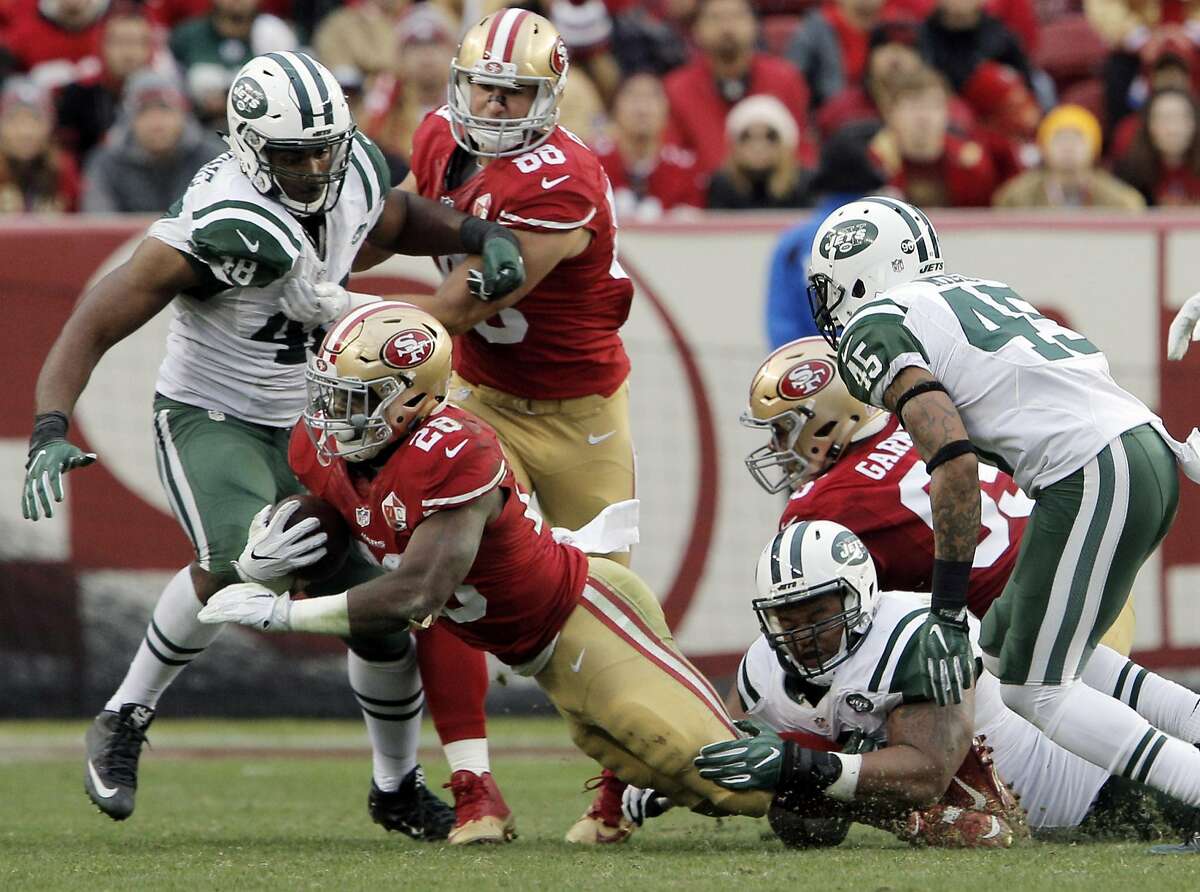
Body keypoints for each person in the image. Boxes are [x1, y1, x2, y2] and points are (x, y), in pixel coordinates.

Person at [21, 52, 526, 843]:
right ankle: (124, 714)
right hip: (213, 412)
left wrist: (473, 229)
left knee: (384, 618)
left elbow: (391, 221)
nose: (318, 166)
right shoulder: (215, 221)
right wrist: (51, 424)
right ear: (250, 147)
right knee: (247, 556)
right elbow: (93, 318)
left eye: (327, 147)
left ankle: (395, 786)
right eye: (296, 155)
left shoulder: (349, 165)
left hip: (321, 421)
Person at [196, 303, 775, 828]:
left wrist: (283, 613)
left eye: (356, 398)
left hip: (584, 619)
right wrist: (268, 554)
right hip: (539, 653)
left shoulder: (456, 451)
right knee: (681, 780)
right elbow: (339, 525)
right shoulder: (321, 447)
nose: (333, 415)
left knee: (737, 785)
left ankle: (835, 773)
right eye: (330, 394)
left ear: (413, 398)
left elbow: (415, 594)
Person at [792, 194, 1200, 824]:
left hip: (1089, 471)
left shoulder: (876, 325)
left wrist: (947, 607)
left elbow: (953, 460)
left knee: (1037, 689)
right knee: (1009, 642)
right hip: (1131, 450)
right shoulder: (971, 289)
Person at [387, 10, 641, 841]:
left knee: (605, 607)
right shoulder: (435, 137)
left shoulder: (563, 177)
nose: (494, 107)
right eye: (484, 88)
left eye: (514, 93)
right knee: (443, 577)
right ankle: (474, 792)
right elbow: (391, 223)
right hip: (481, 398)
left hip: (580, 417)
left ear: (550, 98)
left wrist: (335, 317)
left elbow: (454, 309)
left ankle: (616, 792)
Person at [705, 523, 1200, 844]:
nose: (803, 634)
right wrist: (662, 786)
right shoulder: (761, 669)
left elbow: (927, 772)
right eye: (786, 619)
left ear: (859, 596)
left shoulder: (917, 634)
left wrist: (795, 762)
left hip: (1100, 786)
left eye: (817, 615)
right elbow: (729, 749)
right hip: (1030, 810)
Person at [764, 122, 885, 349]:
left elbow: (782, 326)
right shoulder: (888, 234)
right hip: (879, 367)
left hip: (815, 370)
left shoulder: (793, 242)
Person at [662, 0, 812, 176]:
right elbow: (672, 158)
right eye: (715, 18)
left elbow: (802, 149)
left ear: (755, 26)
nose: (727, 27)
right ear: (696, 29)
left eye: (737, 16)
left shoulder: (786, 79)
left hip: (777, 195)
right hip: (704, 197)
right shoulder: (676, 89)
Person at [82, 71, 227, 213]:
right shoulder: (105, 164)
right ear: (129, 121)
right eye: (144, 112)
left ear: (183, 115)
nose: (156, 123)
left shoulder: (214, 159)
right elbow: (100, 222)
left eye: (165, 111)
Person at [869, 67, 1001, 207]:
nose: (924, 117)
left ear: (948, 112)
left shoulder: (970, 162)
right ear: (890, 113)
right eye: (912, 107)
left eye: (933, 106)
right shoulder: (872, 162)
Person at [592, 72, 704, 222]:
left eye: (652, 98)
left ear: (667, 111)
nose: (642, 109)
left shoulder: (684, 168)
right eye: (633, 97)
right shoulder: (593, 161)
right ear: (614, 109)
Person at [169, 0, 297, 127]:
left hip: (264, 127)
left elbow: (291, 87)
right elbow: (170, 87)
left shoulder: (275, 32)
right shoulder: (188, 35)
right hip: (199, 127)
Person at [994, 103, 1145, 209]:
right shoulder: (1015, 198)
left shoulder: (1121, 201)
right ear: (1044, 148)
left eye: (1077, 139)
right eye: (1059, 138)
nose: (1068, 147)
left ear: (1094, 148)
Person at [56, 5, 156, 161]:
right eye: (119, 42)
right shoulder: (78, 95)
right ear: (101, 45)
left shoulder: (164, 97)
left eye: (138, 42)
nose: (129, 53)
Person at [705, 95, 812, 211]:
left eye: (770, 137)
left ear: (785, 144)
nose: (758, 146)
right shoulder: (722, 185)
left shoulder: (803, 184)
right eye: (747, 137)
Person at [786, 0, 887, 110]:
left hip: (879, 112)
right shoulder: (815, 29)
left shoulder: (891, 31)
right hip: (827, 112)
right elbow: (792, 76)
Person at [0, 77, 80, 212]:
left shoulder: (63, 168)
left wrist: (60, 221)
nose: (25, 132)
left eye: (35, 121)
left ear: (49, 127)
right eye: (16, 121)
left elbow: (85, 220)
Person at [1114, 87, 1200, 206]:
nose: (1173, 129)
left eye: (1182, 117)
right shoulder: (1129, 174)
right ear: (1149, 126)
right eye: (1164, 118)